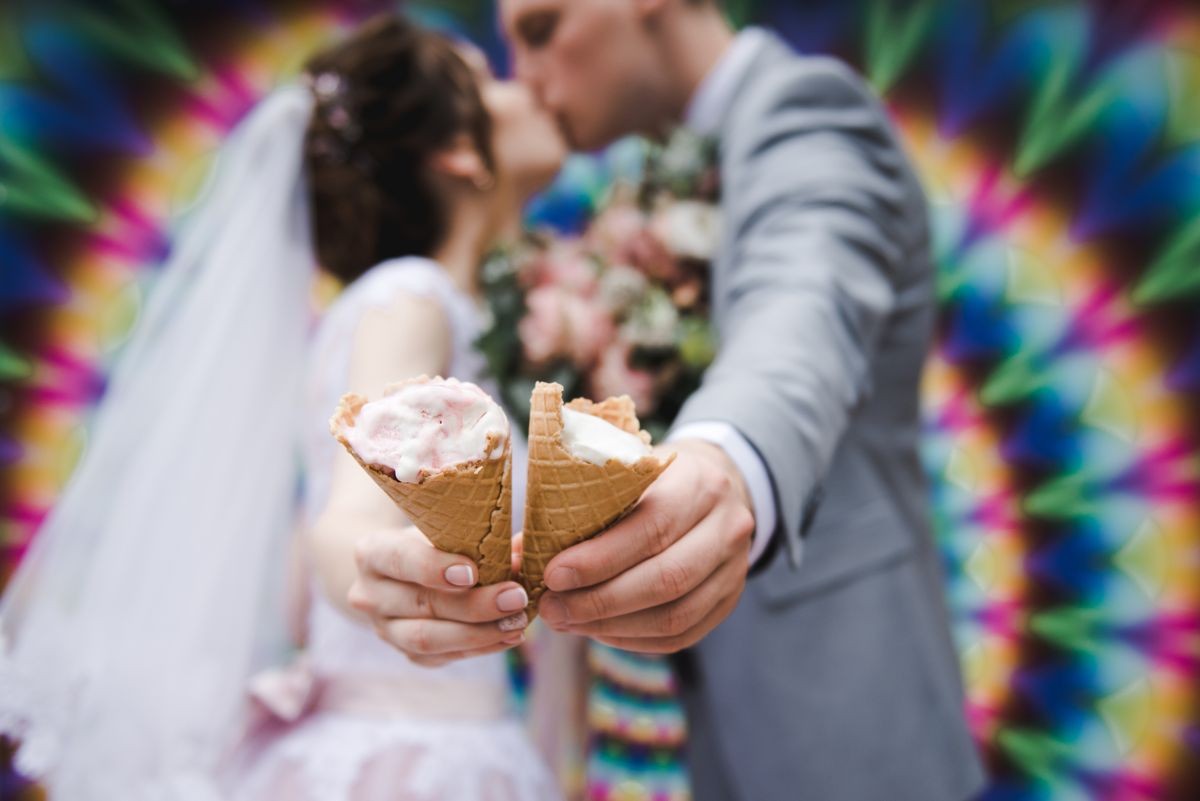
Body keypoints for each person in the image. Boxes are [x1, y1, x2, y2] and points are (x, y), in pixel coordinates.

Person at [0, 14, 568, 801]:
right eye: (492, 77)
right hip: (416, 762)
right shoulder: (409, 301)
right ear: (459, 151)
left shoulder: (421, 314)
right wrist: (368, 559)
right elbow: (351, 519)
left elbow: (304, 566)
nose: (528, 87)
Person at [484, 1, 988, 799]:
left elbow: (803, 302)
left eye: (542, 29)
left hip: (849, 713)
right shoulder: (657, 170)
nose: (523, 74)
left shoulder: (810, 111)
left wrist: (724, 457)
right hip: (723, 727)